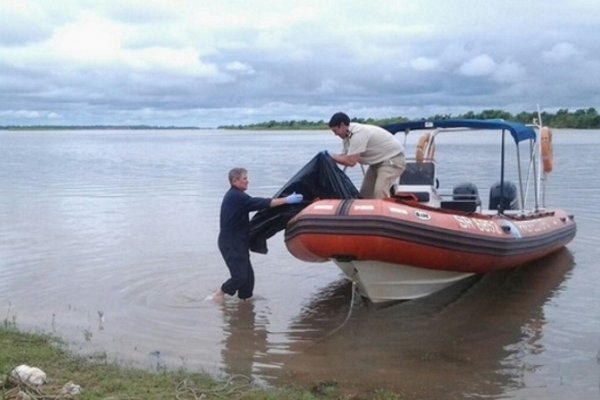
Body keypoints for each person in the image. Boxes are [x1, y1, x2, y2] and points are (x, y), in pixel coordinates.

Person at [210, 167, 303, 302]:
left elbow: (260, 203)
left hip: (239, 242)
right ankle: (219, 293)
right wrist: (287, 200)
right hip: (230, 243)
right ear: (235, 181)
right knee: (240, 276)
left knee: (248, 278)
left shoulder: (237, 195)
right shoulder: (236, 196)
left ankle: (244, 303)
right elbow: (263, 203)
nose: (248, 181)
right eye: (245, 178)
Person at [328, 112, 406, 199]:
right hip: (377, 162)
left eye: (335, 131)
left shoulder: (357, 133)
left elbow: (351, 161)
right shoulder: (348, 136)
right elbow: (344, 156)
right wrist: (328, 157)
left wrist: (331, 156)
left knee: (379, 191)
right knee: (365, 195)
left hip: (392, 159)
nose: (335, 134)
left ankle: (384, 208)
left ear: (342, 125)